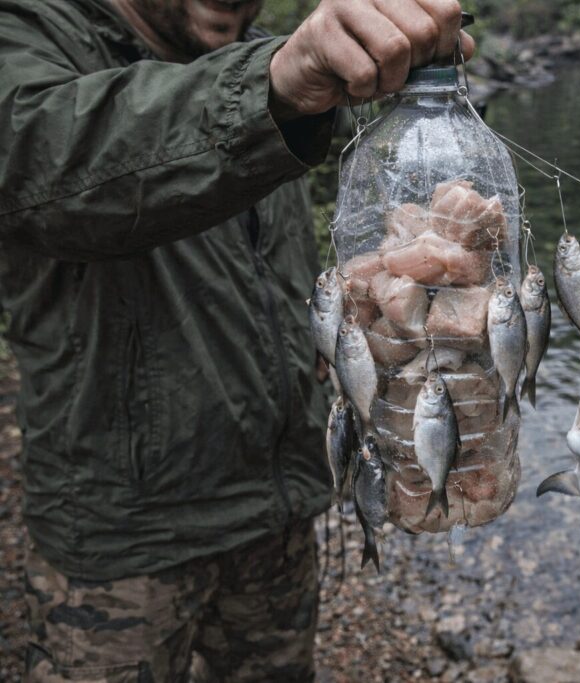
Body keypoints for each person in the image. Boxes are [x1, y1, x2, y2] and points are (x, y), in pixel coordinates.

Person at [0, 0, 474, 679]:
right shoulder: (31, 33)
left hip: (276, 503)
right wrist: (275, 82)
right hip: (124, 535)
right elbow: (39, 159)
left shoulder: (264, 58)